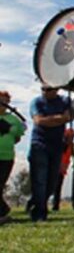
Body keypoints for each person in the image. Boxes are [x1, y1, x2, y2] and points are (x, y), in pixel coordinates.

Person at [28, 85, 71, 222]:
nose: (45, 92)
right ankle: (40, 213)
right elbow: (39, 121)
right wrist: (61, 118)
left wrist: (52, 120)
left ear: (57, 89)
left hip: (57, 145)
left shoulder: (65, 101)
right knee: (40, 179)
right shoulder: (36, 102)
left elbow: (71, 116)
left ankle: (35, 202)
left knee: (52, 182)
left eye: (49, 89)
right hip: (39, 145)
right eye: (43, 89)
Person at [0, 90, 27, 225]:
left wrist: (8, 128)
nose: (2, 104)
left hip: (6, 157)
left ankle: (2, 212)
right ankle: (3, 210)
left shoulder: (14, 119)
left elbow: (18, 134)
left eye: (5, 101)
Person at [51, 126, 74, 212]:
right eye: (71, 136)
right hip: (56, 167)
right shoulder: (61, 144)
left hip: (62, 169)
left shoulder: (70, 145)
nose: (72, 138)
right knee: (52, 187)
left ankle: (55, 206)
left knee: (57, 188)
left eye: (73, 137)